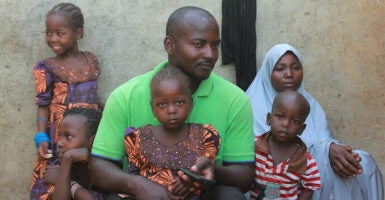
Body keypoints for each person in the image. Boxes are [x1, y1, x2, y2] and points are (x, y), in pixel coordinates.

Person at [90, 6, 255, 200]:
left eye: (215, 45)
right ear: (170, 45)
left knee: (230, 196)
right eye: (199, 44)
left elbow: (244, 176)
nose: (210, 54)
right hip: (144, 195)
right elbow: (99, 167)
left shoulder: (235, 100)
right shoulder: (126, 96)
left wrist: (212, 173)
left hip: (201, 194)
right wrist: (138, 185)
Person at [246, 43, 383, 200]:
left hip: (308, 173)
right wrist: (326, 150)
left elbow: (323, 143)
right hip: (269, 184)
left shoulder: (311, 105)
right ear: (268, 72)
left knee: (363, 162)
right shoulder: (251, 105)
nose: (289, 74)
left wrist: (332, 150)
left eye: (296, 68)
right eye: (280, 69)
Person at [30, 3, 102, 199]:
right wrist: (41, 137)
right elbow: (43, 105)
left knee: (86, 178)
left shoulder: (91, 61)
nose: (52, 38)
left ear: (78, 33)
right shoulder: (46, 67)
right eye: (48, 32)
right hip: (59, 137)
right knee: (54, 179)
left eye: (59, 33)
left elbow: (94, 97)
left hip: (87, 135)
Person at [123, 67, 220, 200]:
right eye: (162, 104)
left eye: (179, 102)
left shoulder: (205, 135)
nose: (171, 110)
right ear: (153, 108)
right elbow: (133, 177)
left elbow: (206, 174)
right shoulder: (139, 137)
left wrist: (190, 183)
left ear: (190, 104)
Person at [250, 91, 321, 200]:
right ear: (269, 118)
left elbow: (308, 189)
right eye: (280, 116)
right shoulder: (255, 146)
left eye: (295, 121)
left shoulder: (305, 161)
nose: (286, 124)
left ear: (301, 129)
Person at [47, 108, 118, 199]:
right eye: (60, 136)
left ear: (93, 141)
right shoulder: (59, 167)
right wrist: (67, 160)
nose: (59, 143)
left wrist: (71, 184)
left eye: (68, 136)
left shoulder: (109, 168)